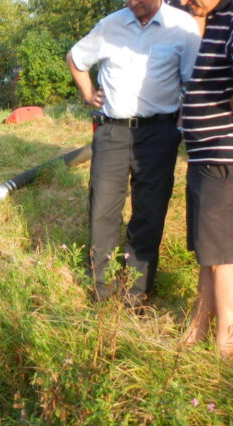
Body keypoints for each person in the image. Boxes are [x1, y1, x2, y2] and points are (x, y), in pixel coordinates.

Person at [66, 0, 200, 306]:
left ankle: (135, 294)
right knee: (103, 209)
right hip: (112, 131)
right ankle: (102, 289)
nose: (132, 3)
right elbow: (75, 57)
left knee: (150, 212)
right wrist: (88, 94)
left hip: (158, 133)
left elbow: (194, 80)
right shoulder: (110, 25)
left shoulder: (182, 27)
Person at [177, 0, 233, 357]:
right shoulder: (203, 14)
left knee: (224, 254)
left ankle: (226, 342)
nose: (182, 2)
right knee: (206, 250)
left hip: (223, 153)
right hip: (201, 155)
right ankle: (199, 324)